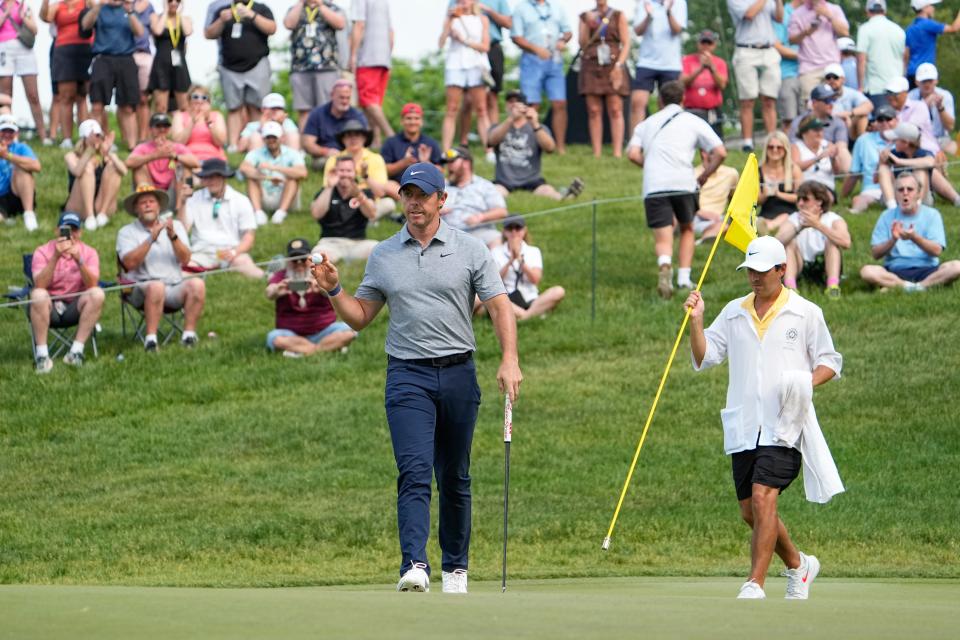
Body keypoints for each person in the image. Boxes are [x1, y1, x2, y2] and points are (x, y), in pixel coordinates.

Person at [309, 161, 522, 595]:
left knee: (455, 474)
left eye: (422, 195)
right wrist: (334, 290)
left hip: (459, 371)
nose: (413, 203)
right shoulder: (385, 254)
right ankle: (414, 564)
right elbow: (360, 318)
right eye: (407, 194)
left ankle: (455, 568)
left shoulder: (470, 249)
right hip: (407, 376)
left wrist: (509, 359)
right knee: (414, 470)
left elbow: (499, 305)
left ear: (441, 200)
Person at [685, 234, 843, 600]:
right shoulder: (734, 311)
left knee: (763, 497)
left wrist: (806, 381)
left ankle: (754, 582)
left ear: (782, 270)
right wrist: (696, 321)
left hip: (785, 424)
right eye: (749, 271)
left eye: (761, 271)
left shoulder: (806, 312)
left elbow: (830, 361)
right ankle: (799, 565)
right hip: (744, 425)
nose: (754, 278)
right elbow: (704, 357)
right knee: (749, 511)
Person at [626, 80, 726, 298]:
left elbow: (632, 154)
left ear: (660, 100)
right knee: (687, 228)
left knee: (663, 235)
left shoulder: (646, 124)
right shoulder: (692, 121)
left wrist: (651, 166)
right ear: (683, 99)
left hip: (655, 185)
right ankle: (683, 278)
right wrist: (705, 175)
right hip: (683, 183)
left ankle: (664, 264)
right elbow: (720, 152)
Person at [117, 183, 206, 351]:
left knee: (197, 284)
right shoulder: (126, 232)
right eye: (143, 203)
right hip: (140, 288)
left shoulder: (176, 226)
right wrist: (151, 238)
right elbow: (129, 263)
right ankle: (151, 341)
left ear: (159, 206)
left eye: (152, 201)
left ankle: (188, 337)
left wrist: (173, 236)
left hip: (173, 286)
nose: (148, 205)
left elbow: (186, 259)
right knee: (156, 286)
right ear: (136, 208)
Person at [30, 212, 104, 373]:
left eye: (75, 230)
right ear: (57, 231)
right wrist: (56, 256)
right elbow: (40, 284)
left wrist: (79, 260)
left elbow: (92, 284)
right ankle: (42, 357)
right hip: (49, 308)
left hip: (76, 307)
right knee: (37, 295)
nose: (71, 234)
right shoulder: (42, 252)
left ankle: (75, 352)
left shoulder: (89, 253)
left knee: (97, 294)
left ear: (80, 232)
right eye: (66, 229)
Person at [861, 171, 960, 291]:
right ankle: (913, 286)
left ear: (918, 194)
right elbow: (875, 254)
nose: (905, 193)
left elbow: (937, 251)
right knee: (867, 272)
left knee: (957, 267)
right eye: (900, 190)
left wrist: (915, 237)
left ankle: (909, 286)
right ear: (895, 194)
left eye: (910, 189)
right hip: (895, 270)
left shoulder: (932, 215)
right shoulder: (886, 216)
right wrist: (893, 239)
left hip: (928, 269)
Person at [265, 237, 356, 358]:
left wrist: (321, 288)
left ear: (310, 258)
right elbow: (269, 292)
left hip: (324, 330)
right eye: (294, 260)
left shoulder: (321, 274)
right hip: (291, 333)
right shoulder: (281, 276)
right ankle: (326, 348)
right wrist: (276, 290)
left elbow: (333, 292)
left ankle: (303, 351)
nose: (299, 264)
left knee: (349, 330)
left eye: (303, 259)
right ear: (288, 261)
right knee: (274, 337)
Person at [204, 0, 276, 150]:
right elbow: (209, 34)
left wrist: (252, 15)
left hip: (257, 64)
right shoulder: (222, 10)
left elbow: (272, 28)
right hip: (230, 67)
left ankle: (256, 142)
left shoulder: (261, 8)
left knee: (257, 107)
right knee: (234, 108)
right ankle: (233, 145)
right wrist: (221, 21)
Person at [488, 90, 584, 201]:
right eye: (510, 102)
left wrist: (535, 124)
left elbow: (550, 148)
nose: (513, 105)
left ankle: (565, 197)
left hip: (532, 181)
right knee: (496, 193)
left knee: (547, 190)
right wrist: (510, 119)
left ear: (526, 106)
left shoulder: (538, 128)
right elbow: (491, 141)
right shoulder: (499, 127)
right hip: (504, 181)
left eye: (518, 102)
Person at [179, 158, 264, 278]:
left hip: (231, 253)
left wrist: (235, 252)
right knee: (180, 274)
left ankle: (271, 277)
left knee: (252, 271)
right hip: (201, 254)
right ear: (203, 179)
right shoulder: (193, 199)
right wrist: (182, 203)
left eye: (216, 176)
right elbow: (183, 229)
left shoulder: (241, 200)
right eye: (207, 177)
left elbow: (249, 235)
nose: (211, 181)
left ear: (224, 177)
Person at [80, 0, 144, 150]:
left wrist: (129, 11)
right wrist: (98, 6)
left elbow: (140, 32)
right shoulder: (100, 8)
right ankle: (96, 144)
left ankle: (132, 146)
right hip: (103, 58)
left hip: (126, 59)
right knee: (97, 105)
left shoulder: (128, 8)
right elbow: (85, 25)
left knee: (128, 107)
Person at [511, 0, 572, 154]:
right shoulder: (521, 8)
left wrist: (562, 40)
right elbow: (516, 36)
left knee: (560, 103)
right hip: (531, 60)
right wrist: (536, 49)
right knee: (531, 105)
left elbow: (567, 31)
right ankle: (530, 143)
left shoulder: (557, 7)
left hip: (554, 60)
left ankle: (560, 146)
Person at [453, 0, 512, 159]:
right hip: (465, 52)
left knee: (491, 98)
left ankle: (492, 141)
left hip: (491, 49)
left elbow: (508, 23)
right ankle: (463, 142)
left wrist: (488, 11)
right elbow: (451, 17)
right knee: (467, 100)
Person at [775, 180, 851, 297]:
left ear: (819, 201)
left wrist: (818, 225)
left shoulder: (833, 219)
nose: (800, 203)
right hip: (800, 265)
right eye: (799, 199)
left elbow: (846, 243)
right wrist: (799, 228)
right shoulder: (793, 219)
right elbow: (775, 244)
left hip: (826, 265)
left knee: (832, 242)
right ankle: (791, 288)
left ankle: (832, 287)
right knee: (789, 243)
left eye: (805, 199)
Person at [727, 0, 784, 151]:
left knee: (769, 99)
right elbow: (749, 14)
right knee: (747, 99)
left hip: (768, 49)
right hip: (746, 50)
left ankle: (771, 140)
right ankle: (747, 142)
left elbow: (779, 18)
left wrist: (779, 2)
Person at [578, 1, 630, 158]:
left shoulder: (618, 15)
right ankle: (597, 153)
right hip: (592, 63)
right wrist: (587, 22)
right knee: (594, 110)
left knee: (615, 108)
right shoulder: (585, 15)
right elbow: (582, 43)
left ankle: (617, 152)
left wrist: (619, 65)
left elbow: (626, 43)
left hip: (613, 63)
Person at [488, 215, 565, 321]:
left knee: (558, 291)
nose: (514, 232)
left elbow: (535, 279)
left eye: (518, 228)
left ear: (524, 231)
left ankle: (523, 316)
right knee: (491, 299)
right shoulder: (496, 252)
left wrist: (520, 261)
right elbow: (494, 281)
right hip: (507, 298)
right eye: (510, 229)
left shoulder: (533, 251)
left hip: (531, 297)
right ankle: (531, 315)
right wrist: (510, 262)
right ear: (504, 232)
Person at [284, 0, 346, 129]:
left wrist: (320, 5)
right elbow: (289, 24)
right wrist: (301, 3)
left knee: (327, 108)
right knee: (303, 109)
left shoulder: (331, 7)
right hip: (300, 68)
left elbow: (340, 24)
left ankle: (326, 141)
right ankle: (305, 144)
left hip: (327, 67)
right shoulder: (295, 8)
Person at [439, 0, 491, 152]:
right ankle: (446, 151)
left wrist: (464, 40)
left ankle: (489, 150)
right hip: (455, 65)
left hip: (476, 65)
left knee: (481, 109)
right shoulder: (451, 19)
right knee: (451, 109)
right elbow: (441, 43)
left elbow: (485, 46)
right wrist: (449, 21)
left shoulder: (482, 19)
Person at [41, 0, 93, 144]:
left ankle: (85, 137)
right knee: (65, 96)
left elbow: (97, 13)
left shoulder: (86, 3)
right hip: (63, 51)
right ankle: (67, 139)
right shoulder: (58, 6)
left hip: (85, 49)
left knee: (82, 96)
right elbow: (45, 17)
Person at [630, 0, 687, 132]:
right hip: (646, 62)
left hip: (670, 64)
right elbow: (638, 31)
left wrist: (668, 12)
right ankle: (635, 144)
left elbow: (677, 29)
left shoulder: (679, 3)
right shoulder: (644, 3)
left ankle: (669, 140)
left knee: (671, 105)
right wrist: (648, 17)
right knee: (637, 102)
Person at [876, 121, 960, 209]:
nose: (892, 142)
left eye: (895, 140)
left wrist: (899, 161)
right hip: (896, 196)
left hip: (922, 198)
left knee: (922, 169)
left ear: (905, 143)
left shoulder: (923, 153)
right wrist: (881, 162)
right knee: (883, 168)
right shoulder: (894, 153)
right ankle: (892, 207)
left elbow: (930, 162)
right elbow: (875, 180)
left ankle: (917, 205)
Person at [311, 154, 379, 263]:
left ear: (354, 173)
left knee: (380, 250)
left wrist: (359, 196)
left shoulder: (364, 193)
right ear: (335, 172)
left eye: (349, 171)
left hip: (358, 243)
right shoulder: (325, 191)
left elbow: (372, 214)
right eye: (341, 170)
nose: (345, 174)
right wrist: (329, 187)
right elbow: (316, 214)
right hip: (330, 243)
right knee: (318, 256)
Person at [321, 120, 394, 219]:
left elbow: (380, 193)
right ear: (343, 139)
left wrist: (365, 176)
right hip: (342, 202)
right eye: (349, 135)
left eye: (357, 135)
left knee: (389, 203)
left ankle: (364, 218)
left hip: (368, 202)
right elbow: (327, 187)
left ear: (364, 138)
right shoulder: (333, 160)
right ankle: (365, 220)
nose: (353, 138)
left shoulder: (375, 158)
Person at [239, 121, 307, 226]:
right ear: (263, 139)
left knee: (293, 179)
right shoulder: (255, 153)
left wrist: (275, 168)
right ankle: (258, 213)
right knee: (251, 179)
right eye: (268, 137)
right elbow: (244, 168)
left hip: (286, 195)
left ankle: (281, 213)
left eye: (274, 137)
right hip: (264, 194)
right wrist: (267, 177)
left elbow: (303, 173)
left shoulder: (292, 153)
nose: (271, 140)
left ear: (282, 138)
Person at [64, 119, 127, 231]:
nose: (97, 139)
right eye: (94, 136)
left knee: (113, 167)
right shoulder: (71, 156)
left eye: (99, 136)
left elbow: (124, 171)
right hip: (79, 204)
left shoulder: (105, 156)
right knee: (87, 168)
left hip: (101, 204)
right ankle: (89, 217)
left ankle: (102, 215)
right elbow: (77, 172)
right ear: (84, 137)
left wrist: (109, 153)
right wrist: (90, 150)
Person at [440, 145, 507, 247]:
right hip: (447, 234)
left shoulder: (484, 186)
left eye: (452, 162)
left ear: (466, 163)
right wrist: (436, 210)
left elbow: (502, 211)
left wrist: (480, 217)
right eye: (447, 163)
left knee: (496, 238)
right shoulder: (441, 186)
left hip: (478, 232)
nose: (449, 167)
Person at [349, 0, 394, 147]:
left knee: (368, 102)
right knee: (374, 104)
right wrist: (388, 57)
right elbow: (391, 33)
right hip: (383, 59)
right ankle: (376, 143)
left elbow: (359, 25)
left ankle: (393, 138)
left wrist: (353, 55)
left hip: (367, 58)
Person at [0, 0, 45, 142]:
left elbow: (35, 30)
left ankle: (43, 136)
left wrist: (23, 16)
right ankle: (10, 136)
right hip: (4, 49)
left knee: (33, 95)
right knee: (6, 96)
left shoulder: (24, 6)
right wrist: (6, 14)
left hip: (25, 50)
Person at [786, 0, 848, 103]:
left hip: (831, 66)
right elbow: (792, 40)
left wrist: (829, 16)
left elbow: (845, 32)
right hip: (808, 69)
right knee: (810, 106)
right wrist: (806, 32)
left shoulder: (834, 9)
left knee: (835, 104)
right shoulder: (797, 14)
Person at [126, 112, 199, 198]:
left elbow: (195, 163)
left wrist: (175, 156)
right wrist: (155, 155)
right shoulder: (142, 147)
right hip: (150, 189)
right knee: (139, 166)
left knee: (184, 167)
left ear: (169, 129)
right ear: (150, 129)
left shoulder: (177, 147)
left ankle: (182, 207)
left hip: (174, 191)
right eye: (158, 126)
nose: (162, 129)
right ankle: (148, 200)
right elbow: (128, 163)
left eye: (165, 126)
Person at [842, 104, 896, 213]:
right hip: (872, 189)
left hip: (898, 186)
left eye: (888, 119)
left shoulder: (903, 139)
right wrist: (842, 196)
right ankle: (855, 211)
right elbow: (854, 173)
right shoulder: (863, 140)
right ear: (876, 122)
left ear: (896, 120)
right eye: (880, 120)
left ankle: (893, 209)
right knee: (858, 199)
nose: (884, 123)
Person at [301, 79, 368, 164]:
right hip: (325, 156)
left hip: (352, 155)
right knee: (322, 163)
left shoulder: (358, 116)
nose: (345, 101)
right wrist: (325, 151)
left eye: (348, 98)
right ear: (332, 95)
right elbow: (307, 143)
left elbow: (365, 142)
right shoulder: (317, 114)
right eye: (341, 97)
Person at [787, 84, 851, 173]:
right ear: (814, 103)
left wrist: (829, 149)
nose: (831, 104)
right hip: (804, 155)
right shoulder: (799, 121)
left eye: (833, 100)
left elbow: (841, 145)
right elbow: (793, 145)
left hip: (829, 155)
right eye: (827, 100)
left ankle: (845, 176)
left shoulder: (838, 122)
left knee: (843, 150)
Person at [855, 0, 905, 110]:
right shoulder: (899, 30)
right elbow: (904, 58)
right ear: (885, 11)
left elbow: (861, 60)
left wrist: (860, 87)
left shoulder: (865, 29)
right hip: (897, 88)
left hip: (875, 88)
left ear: (867, 11)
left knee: (879, 124)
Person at [681, 29, 728, 140]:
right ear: (698, 44)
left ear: (714, 45)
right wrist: (700, 68)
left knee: (715, 142)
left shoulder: (720, 62)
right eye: (703, 42)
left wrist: (712, 69)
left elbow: (722, 85)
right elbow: (682, 82)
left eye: (709, 43)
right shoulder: (687, 60)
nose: (706, 46)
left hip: (712, 112)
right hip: (690, 110)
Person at [382, 103, 443, 187]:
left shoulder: (431, 143)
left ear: (422, 121)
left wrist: (426, 163)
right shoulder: (391, 142)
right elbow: (383, 170)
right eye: (408, 118)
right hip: (398, 187)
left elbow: (441, 171)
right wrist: (403, 163)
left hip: (426, 187)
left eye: (416, 118)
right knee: (387, 185)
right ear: (402, 121)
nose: (412, 122)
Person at [148, 0, 192, 115]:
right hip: (161, 64)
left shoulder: (185, 19)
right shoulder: (156, 17)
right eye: (170, 1)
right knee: (161, 107)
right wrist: (165, 12)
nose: (173, 3)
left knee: (184, 106)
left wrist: (180, 13)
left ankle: (182, 131)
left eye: (177, 1)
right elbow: (157, 31)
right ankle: (160, 130)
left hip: (179, 64)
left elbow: (188, 31)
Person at [905, 0, 960, 88]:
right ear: (924, 8)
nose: (933, 8)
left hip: (911, 73)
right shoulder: (928, 24)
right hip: (926, 74)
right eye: (930, 6)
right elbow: (954, 28)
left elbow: (906, 55)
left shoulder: (910, 29)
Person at [0, 114, 40, 231]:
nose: (7, 134)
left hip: (16, 193)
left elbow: (36, 166)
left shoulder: (21, 148)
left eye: (10, 131)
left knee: (22, 169)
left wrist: (7, 156)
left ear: (16, 133)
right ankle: (7, 219)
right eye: (4, 131)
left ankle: (29, 214)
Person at [907, 63, 956, 155]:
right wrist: (924, 105)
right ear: (917, 82)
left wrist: (940, 108)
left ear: (936, 81)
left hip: (940, 138)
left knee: (954, 149)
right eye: (924, 81)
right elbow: (910, 125)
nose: (927, 84)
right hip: (918, 139)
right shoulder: (911, 97)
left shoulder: (945, 96)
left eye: (930, 81)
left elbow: (950, 127)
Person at [171, 86, 228, 163]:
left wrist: (209, 122)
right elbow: (179, 143)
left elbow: (221, 142)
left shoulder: (216, 116)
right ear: (189, 100)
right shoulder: (180, 116)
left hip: (213, 158)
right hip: (188, 159)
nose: (199, 100)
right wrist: (192, 122)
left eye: (204, 97)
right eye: (195, 97)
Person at [758, 130, 802, 230]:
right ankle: (766, 225)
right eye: (771, 147)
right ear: (766, 149)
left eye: (779, 147)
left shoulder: (794, 169)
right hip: (766, 212)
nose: (774, 150)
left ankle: (768, 227)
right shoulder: (758, 170)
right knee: (762, 220)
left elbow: (800, 197)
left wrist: (777, 193)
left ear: (785, 149)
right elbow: (756, 201)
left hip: (789, 212)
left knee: (784, 217)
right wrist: (765, 193)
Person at [885, 75, 938, 155]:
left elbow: (909, 133)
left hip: (924, 150)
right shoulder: (886, 112)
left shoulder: (919, 106)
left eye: (895, 94)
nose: (891, 97)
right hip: (899, 152)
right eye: (888, 93)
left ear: (905, 93)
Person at [693, 152, 739, 243]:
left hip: (719, 219)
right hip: (695, 216)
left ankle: (703, 241)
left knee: (725, 225)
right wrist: (701, 212)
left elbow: (735, 200)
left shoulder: (731, 173)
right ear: (703, 153)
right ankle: (703, 240)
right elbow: (684, 203)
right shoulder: (692, 174)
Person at [791, 115, 840, 197]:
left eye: (821, 129)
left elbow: (837, 173)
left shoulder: (828, 145)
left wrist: (833, 159)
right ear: (804, 132)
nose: (820, 133)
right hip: (805, 186)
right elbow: (796, 167)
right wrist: (817, 158)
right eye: (816, 130)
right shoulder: (796, 147)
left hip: (825, 186)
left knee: (823, 195)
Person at [822, 62, 872, 141]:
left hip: (848, 130)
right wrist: (840, 117)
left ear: (843, 79)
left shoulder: (850, 92)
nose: (831, 80)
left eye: (835, 77)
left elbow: (869, 106)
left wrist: (850, 113)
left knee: (862, 117)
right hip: (828, 130)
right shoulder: (820, 94)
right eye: (828, 77)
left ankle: (862, 146)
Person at [774, 0, 801, 132]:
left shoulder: (813, 12)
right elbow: (777, 45)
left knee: (809, 120)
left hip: (809, 73)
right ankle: (786, 152)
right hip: (787, 74)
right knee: (789, 120)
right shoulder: (782, 13)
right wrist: (805, 56)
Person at [130, 0, 156, 140]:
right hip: (126, 54)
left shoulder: (150, 6)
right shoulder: (123, 4)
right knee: (128, 101)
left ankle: (143, 137)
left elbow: (156, 30)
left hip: (145, 53)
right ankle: (130, 138)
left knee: (144, 98)